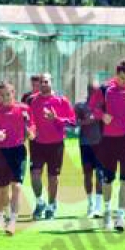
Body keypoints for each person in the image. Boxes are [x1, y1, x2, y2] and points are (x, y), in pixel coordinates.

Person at [88, 59, 125, 232]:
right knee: (107, 180)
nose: (124, 82)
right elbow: (93, 108)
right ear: (116, 75)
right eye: (121, 78)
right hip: (109, 140)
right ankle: (107, 212)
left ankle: (120, 217)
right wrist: (102, 115)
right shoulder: (105, 90)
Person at [0, 81, 35, 235]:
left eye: (8, 94)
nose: (5, 98)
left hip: (18, 151)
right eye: (2, 95)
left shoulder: (24, 109)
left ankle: (12, 221)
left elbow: (32, 127)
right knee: (2, 189)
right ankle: (0, 216)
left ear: (13, 93)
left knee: (17, 186)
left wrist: (30, 132)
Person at [28, 72, 75, 220]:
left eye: (46, 82)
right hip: (37, 144)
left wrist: (56, 119)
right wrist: (31, 130)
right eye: (41, 82)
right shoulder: (33, 101)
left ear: (51, 82)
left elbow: (73, 122)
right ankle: (39, 202)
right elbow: (29, 120)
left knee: (52, 177)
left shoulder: (61, 101)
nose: (43, 84)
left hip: (56, 144)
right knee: (35, 174)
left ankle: (51, 205)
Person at [75, 82, 104, 219]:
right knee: (87, 174)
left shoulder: (104, 106)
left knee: (100, 175)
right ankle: (90, 203)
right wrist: (87, 121)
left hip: (101, 144)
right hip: (85, 144)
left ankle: (98, 206)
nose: (94, 92)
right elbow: (74, 122)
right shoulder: (80, 106)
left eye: (96, 90)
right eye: (92, 90)